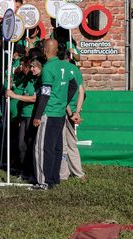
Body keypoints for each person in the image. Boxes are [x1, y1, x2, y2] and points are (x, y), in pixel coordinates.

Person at [30, 39, 70, 190]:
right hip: (60, 112)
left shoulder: (47, 68)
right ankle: (54, 178)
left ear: (45, 51)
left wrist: (38, 115)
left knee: (42, 148)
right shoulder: (65, 65)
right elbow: (73, 85)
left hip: (49, 111)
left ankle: (43, 181)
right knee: (56, 147)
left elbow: (45, 94)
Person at [6, 56, 43, 180]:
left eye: (33, 67)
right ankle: (23, 170)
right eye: (30, 66)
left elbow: (34, 98)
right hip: (23, 116)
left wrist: (14, 96)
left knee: (31, 144)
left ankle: (32, 171)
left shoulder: (40, 81)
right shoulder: (27, 79)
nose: (31, 69)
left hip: (33, 116)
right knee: (21, 144)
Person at [60, 50, 86, 181]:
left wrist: (71, 113)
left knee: (63, 144)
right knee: (72, 143)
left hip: (62, 111)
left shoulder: (60, 70)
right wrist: (77, 112)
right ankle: (78, 173)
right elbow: (82, 92)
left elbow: (61, 95)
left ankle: (63, 174)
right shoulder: (75, 70)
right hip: (72, 111)